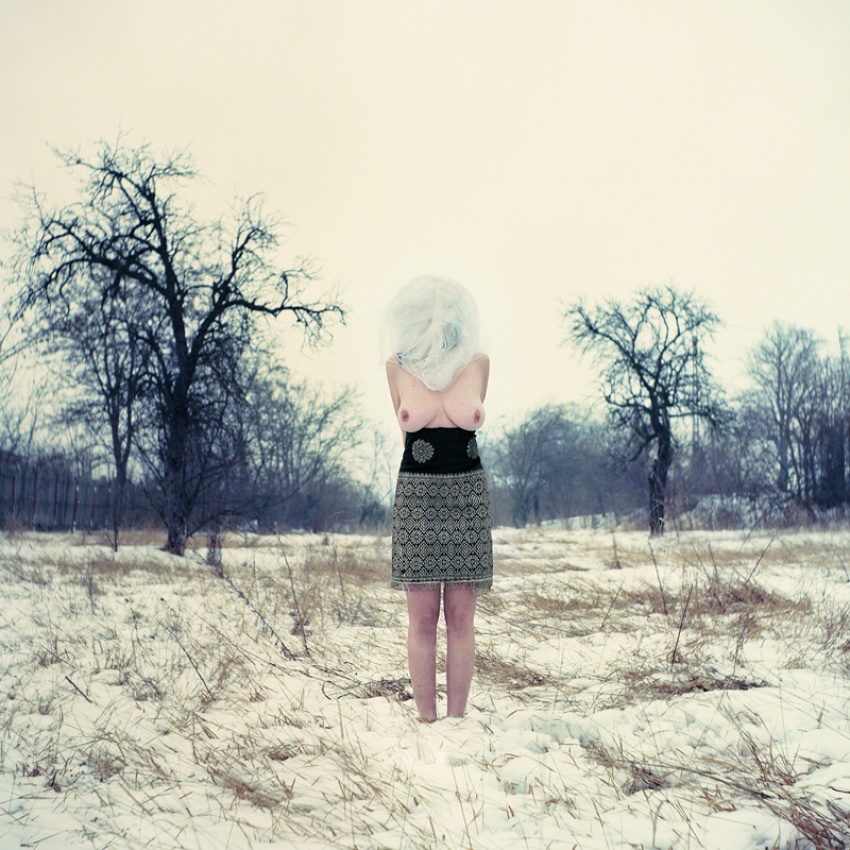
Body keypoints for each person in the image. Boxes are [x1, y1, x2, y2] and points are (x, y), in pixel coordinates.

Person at [383, 275, 493, 722]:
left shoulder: (479, 363)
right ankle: (426, 720)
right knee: (422, 617)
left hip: (467, 496)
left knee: (462, 617)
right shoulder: (396, 366)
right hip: (418, 497)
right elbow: (404, 432)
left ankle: (458, 721)